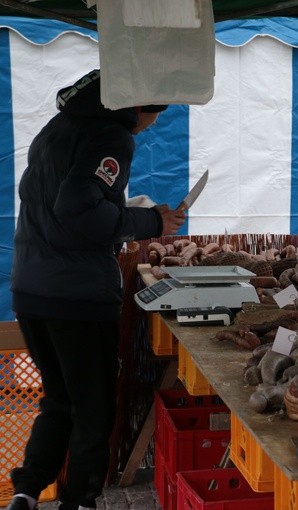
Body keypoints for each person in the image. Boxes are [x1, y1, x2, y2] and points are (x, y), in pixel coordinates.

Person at [6, 69, 186, 510]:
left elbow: (62, 203)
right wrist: (151, 222)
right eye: (157, 111)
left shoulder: (59, 129)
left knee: (60, 401)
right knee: (92, 409)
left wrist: (118, 212)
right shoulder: (111, 138)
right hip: (77, 297)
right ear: (139, 106)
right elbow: (78, 212)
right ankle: (81, 501)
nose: (156, 123)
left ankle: (27, 491)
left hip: (32, 289)